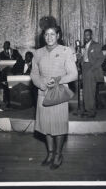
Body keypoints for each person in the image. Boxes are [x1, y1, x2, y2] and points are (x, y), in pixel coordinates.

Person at [30, 25, 78, 169]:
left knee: (58, 126)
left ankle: (58, 154)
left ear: (58, 35)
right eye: (46, 34)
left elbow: (73, 74)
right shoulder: (38, 53)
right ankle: (50, 153)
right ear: (43, 36)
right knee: (46, 126)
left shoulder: (65, 51)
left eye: (52, 34)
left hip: (59, 93)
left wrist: (57, 80)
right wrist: (41, 84)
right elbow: (34, 74)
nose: (49, 37)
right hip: (42, 93)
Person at [81, 29, 104, 117]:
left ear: (91, 35)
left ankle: (91, 111)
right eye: (84, 35)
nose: (86, 37)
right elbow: (84, 58)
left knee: (90, 91)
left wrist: (92, 69)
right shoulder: (85, 46)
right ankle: (87, 109)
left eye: (87, 35)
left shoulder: (96, 45)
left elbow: (101, 58)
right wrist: (80, 58)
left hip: (91, 69)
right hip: (84, 68)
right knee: (86, 91)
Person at [0, 41, 22, 108]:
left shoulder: (15, 52)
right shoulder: (1, 53)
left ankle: (14, 102)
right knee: (6, 88)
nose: (5, 46)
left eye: (6, 45)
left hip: (14, 73)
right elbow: (1, 63)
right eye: (4, 45)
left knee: (13, 88)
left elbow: (20, 59)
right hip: (5, 74)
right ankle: (8, 102)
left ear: (9, 45)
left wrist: (16, 59)